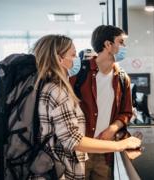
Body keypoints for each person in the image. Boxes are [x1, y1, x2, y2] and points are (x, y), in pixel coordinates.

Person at [32, 34, 141, 179]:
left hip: (52, 167)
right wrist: (121, 145)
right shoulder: (57, 91)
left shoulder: (43, 86)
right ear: (59, 59)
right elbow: (73, 140)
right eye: (73, 54)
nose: (77, 58)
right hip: (61, 170)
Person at [70, 25, 131, 180]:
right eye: (121, 42)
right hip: (79, 152)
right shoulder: (79, 73)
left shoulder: (123, 78)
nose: (124, 47)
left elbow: (126, 112)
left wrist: (113, 128)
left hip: (106, 152)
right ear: (108, 45)